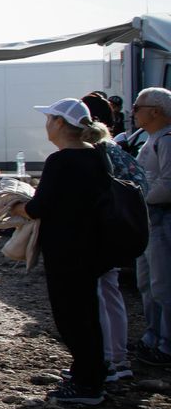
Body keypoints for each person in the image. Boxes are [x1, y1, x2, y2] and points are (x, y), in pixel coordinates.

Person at [11, 99, 116, 404]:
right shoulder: (97, 156)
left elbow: (40, 206)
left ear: (59, 124)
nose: (46, 124)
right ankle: (91, 371)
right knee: (87, 312)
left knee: (71, 315)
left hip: (67, 248)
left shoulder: (62, 161)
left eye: (49, 119)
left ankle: (87, 383)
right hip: (92, 245)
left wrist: (18, 206)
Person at [82, 97, 145, 384]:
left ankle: (110, 360)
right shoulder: (114, 148)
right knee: (111, 292)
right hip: (118, 230)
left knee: (100, 295)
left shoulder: (95, 153)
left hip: (101, 231)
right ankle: (117, 358)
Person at [131, 87, 171, 368]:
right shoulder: (154, 138)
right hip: (150, 219)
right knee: (148, 283)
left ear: (155, 112)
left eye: (137, 107)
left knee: (162, 284)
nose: (133, 112)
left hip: (161, 218)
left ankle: (166, 345)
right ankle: (152, 337)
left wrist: (139, 199)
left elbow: (168, 183)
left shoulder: (166, 139)